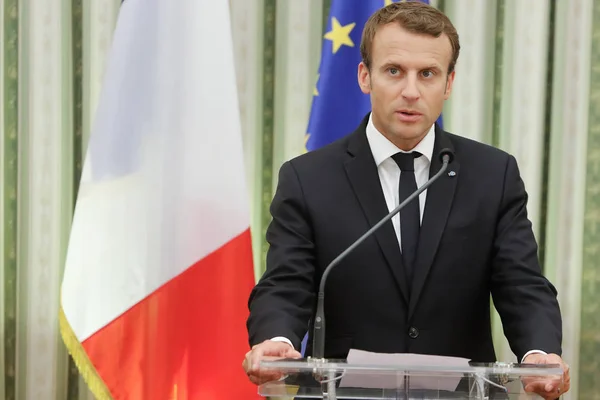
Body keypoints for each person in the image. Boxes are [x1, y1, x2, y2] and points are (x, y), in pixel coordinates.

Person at [243, 2, 570, 399]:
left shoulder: (492, 174)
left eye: (428, 74)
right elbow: (286, 283)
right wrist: (276, 339)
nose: (410, 91)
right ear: (366, 76)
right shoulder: (308, 178)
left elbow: (521, 283)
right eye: (394, 71)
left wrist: (538, 352)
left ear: (448, 83)